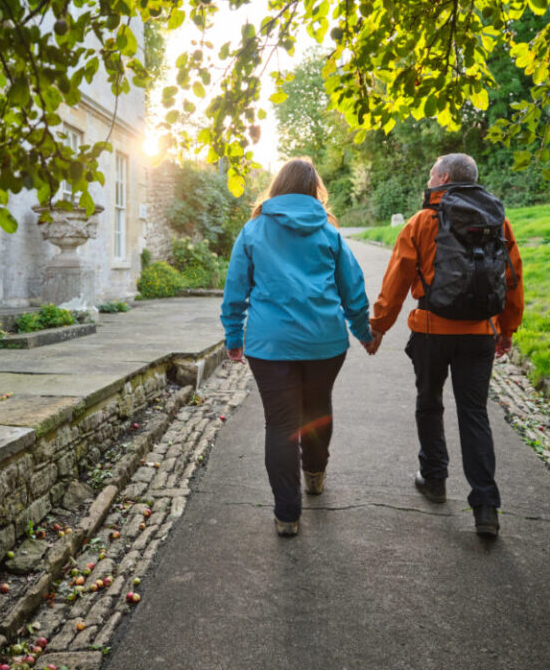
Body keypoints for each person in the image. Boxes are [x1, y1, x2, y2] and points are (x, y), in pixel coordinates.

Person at [366, 153, 524, 537]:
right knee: (474, 414)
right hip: (479, 334)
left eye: (431, 172)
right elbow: (513, 276)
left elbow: (396, 282)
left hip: (432, 331)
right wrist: (506, 328)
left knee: (429, 403)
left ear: (443, 177)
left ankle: (434, 479)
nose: (428, 177)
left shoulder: (422, 221)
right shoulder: (497, 220)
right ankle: (486, 505)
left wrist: (379, 328)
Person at [221, 158, 375, 537]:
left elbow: (235, 290)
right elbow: (352, 290)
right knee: (318, 406)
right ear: (314, 189)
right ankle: (315, 475)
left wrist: (233, 337)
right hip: (325, 343)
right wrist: (364, 333)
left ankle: (287, 514)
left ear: (277, 186)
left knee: (281, 424)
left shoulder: (254, 230)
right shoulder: (328, 233)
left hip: (269, 346)